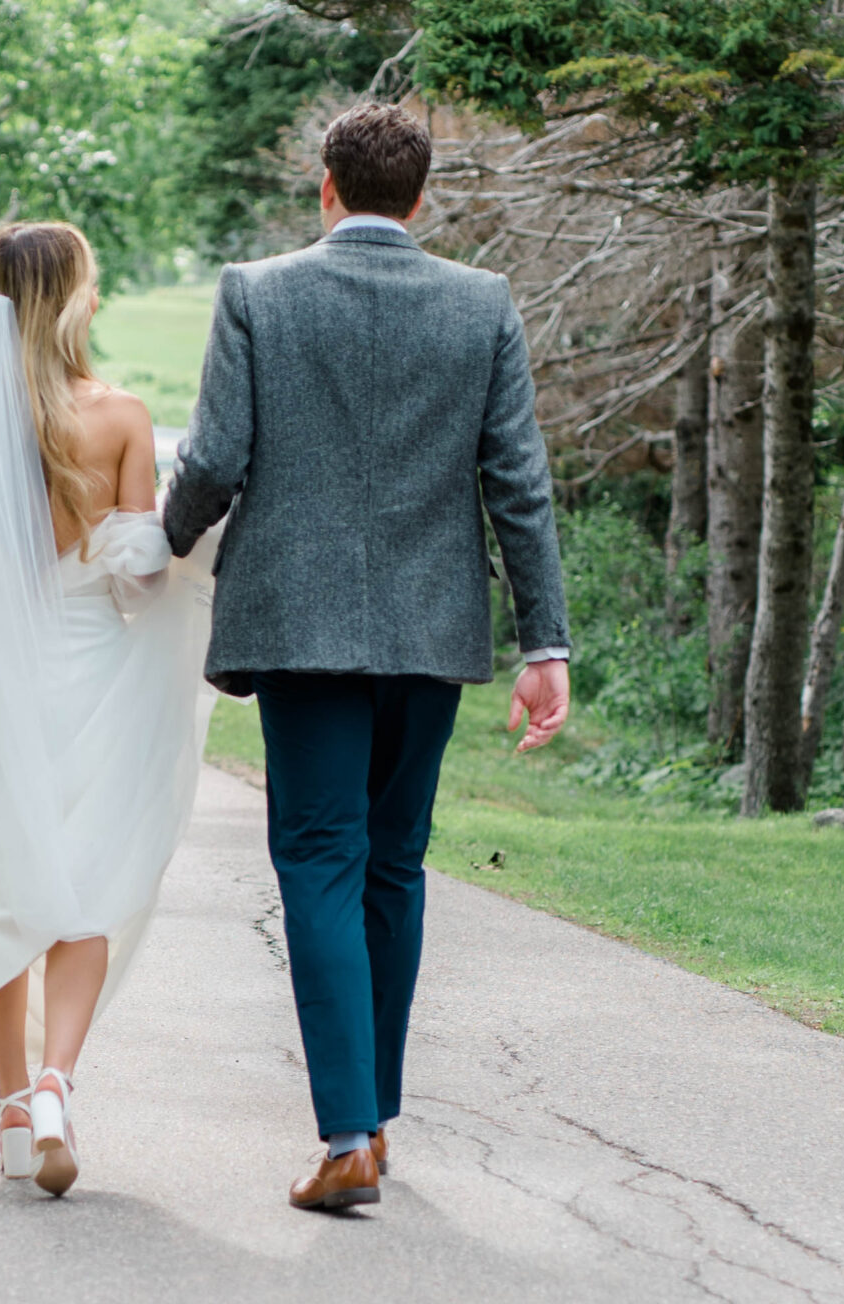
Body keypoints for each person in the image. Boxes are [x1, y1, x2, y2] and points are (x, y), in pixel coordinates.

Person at [162, 100, 571, 1213]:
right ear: (421, 197)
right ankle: (373, 1125)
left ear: (326, 186)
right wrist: (547, 641)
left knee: (320, 862)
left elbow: (214, 457)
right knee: (392, 864)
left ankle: (347, 1132)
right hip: (431, 630)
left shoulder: (257, 291)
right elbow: (517, 486)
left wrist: (162, 538)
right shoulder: (480, 302)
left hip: (300, 631)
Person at [0, 222, 214, 1198]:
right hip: (92, 673)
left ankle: (5, 1111)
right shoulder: (119, 416)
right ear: (69, 299)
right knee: (84, 879)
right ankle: (54, 1085)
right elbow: (135, 577)